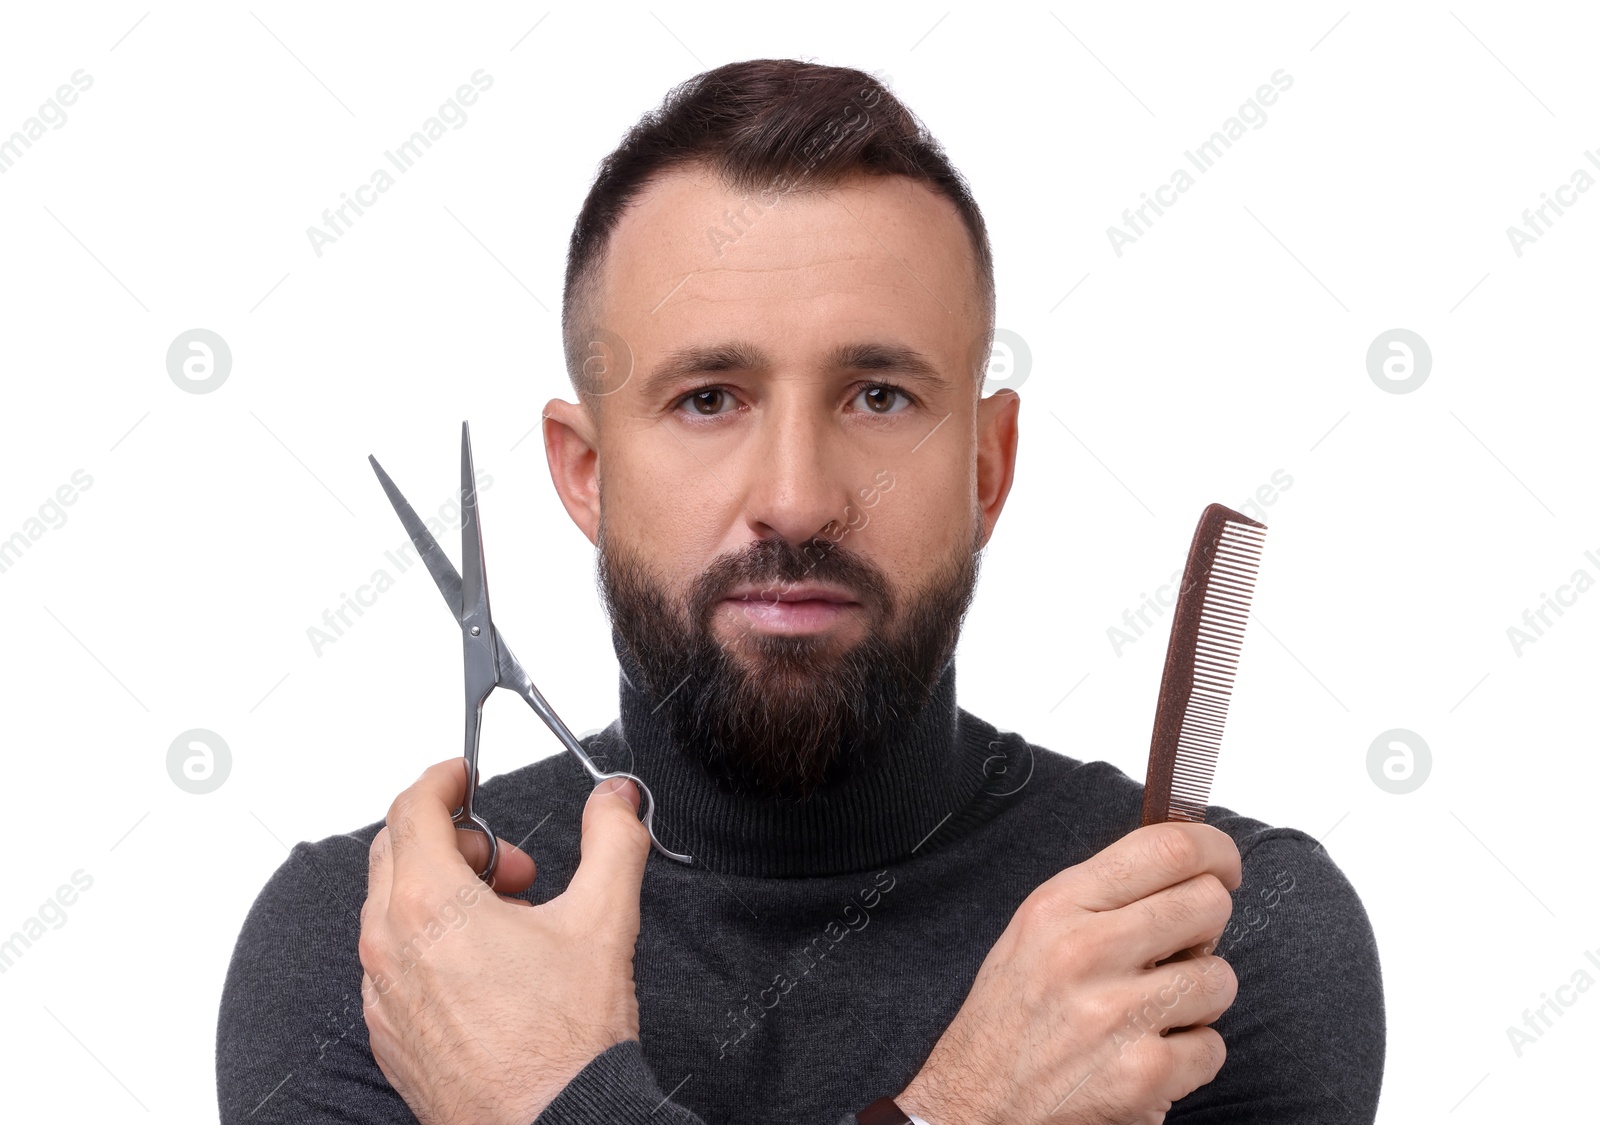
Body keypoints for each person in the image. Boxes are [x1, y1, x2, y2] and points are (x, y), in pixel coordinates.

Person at [217, 58, 1384, 1124]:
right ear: (585, 475)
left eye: (877, 396)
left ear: (987, 469)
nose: (796, 497)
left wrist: (535, 1102)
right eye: (708, 398)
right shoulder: (381, 948)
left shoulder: (1213, 950)